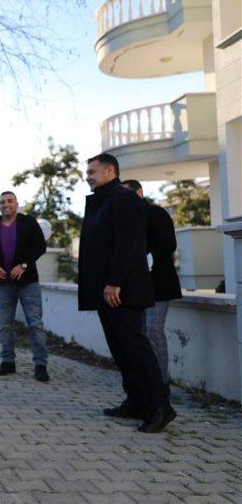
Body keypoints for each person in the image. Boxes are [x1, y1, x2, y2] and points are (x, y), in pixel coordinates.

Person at [79, 154, 176, 433]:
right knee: (120, 349)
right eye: (87, 172)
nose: (88, 176)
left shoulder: (124, 199)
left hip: (121, 290)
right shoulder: (102, 200)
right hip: (105, 290)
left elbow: (128, 243)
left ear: (111, 170)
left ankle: (160, 406)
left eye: (92, 171)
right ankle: (136, 401)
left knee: (135, 347)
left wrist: (115, 282)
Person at [0, 191, 50, 382]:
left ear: (16, 204)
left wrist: (24, 265)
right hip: (4, 284)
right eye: (2, 202)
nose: (6, 205)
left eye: (10, 201)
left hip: (28, 283)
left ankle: (40, 365)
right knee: (5, 325)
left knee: (35, 324)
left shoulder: (28, 222)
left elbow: (40, 247)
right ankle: (7, 362)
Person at [121, 179, 183, 382]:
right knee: (140, 332)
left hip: (158, 283)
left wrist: (146, 257)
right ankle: (147, 380)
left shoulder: (155, 213)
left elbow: (168, 245)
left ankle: (161, 382)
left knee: (153, 329)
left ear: (139, 192)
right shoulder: (127, 218)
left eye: (127, 195)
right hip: (137, 286)